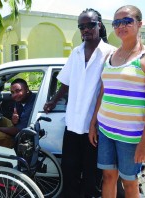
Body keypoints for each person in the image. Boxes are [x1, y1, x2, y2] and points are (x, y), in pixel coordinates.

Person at [88, 5, 145, 198]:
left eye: (126, 21)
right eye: (116, 22)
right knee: (108, 177)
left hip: (130, 136)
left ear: (139, 24)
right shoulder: (110, 56)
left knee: (130, 183)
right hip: (105, 130)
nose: (121, 26)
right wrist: (93, 122)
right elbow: (104, 91)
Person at [43, 8, 115, 198]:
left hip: (95, 127)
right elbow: (65, 81)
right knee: (70, 171)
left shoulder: (110, 54)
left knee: (92, 176)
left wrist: (97, 122)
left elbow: (110, 89)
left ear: (99, 24)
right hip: (73, 125)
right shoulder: (76, 52)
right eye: (81, 26)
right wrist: (53, 101)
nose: (85, 30)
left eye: (90, 25)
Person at [0, 78, 36, 148]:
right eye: (12, 92)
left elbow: (18, 131)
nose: (14, 95)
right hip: (18, 128)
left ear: (27, 89)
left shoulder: (32, 105)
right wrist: (14, 121)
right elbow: (16, 123)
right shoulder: (20, 99)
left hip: (22, 139)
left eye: (18, 91)